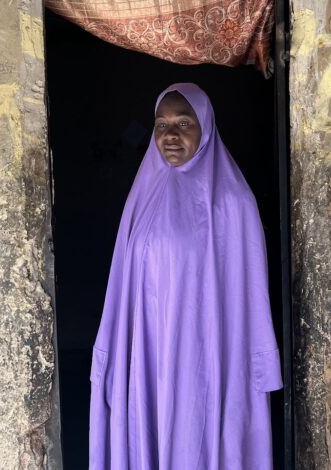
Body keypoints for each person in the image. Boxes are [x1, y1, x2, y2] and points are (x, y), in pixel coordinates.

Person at [89, 83, 282, 469]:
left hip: (207, 356)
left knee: (198, 437)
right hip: (149, 352)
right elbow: (122, 288)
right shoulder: (142, 196)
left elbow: (250, 297)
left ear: (205, 127)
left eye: (183, 123)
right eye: (161, 125)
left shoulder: (233, 203)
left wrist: (259, 362)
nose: (170, 136)